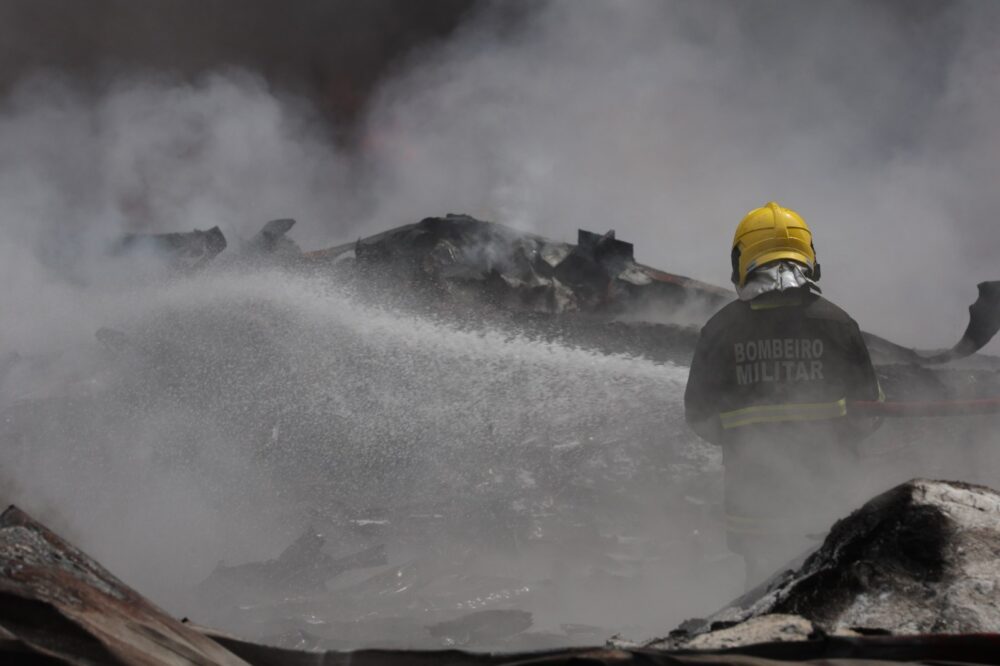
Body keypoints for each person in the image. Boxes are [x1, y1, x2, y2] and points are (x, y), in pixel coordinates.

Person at [684, 202, 883, 587]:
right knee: (826, 595)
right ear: (808, 257)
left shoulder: (721, 329)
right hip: (829, 505)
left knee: (761, 600)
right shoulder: (838, 323)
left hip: (752, 509)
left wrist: (744, 439)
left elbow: (699, 416)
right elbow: (871, 412)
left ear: (742, 259)